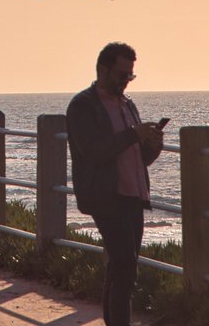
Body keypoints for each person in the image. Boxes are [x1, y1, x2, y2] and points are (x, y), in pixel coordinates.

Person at [65, 41, 164, 326]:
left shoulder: (127, 105)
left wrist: (153, 144)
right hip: (106, 195)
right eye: (122, 75)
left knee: (121, 268)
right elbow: (93, 150)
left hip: (133, 194)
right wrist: (133, 135)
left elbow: (139, 158)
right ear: (102, 70)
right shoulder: (84, 106)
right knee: (125, 268)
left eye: (130, 76)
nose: (126, 82)